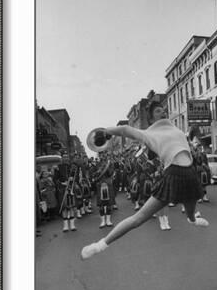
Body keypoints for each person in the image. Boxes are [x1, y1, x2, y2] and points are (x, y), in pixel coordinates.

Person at [81, 102, 209, 259]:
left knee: (190, 211)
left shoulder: (176, 129)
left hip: (190, 173)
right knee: (138, 219)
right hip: (173, 173)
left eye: (163, 111)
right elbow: (125, 129)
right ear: (150, 118)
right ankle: (99, 245)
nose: (163, 113)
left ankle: (192, 219)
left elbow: (188, 138)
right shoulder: (149, 133)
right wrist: (105, 131)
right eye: (157, 111)